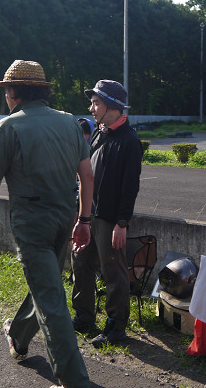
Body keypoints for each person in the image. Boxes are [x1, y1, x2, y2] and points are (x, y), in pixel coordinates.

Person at [0, 60, 94, 388]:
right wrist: (84, 219)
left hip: (32, 222)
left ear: (13, 93)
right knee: (48, 283)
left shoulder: (11, 125)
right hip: (66, 217)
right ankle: (17, 335)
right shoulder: (70, 122)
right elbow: (87, 175)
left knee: (51, 299)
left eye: (6, 91)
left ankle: (74, 380)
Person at [71, 79, 143, 347]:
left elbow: (130, 187)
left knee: (113, 271)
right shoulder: (99, 133)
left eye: (96, 103)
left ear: (112, 106)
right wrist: (80, 214)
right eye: (92, 103)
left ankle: (115, 326)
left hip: (110, 219)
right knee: (80, 264)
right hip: (87, 214)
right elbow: (86, 176)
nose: (91, 108)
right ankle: (83, 316)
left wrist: (122, 223)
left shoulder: (130, 141)